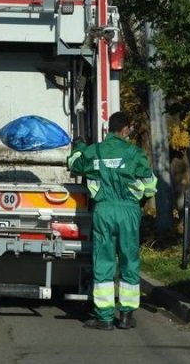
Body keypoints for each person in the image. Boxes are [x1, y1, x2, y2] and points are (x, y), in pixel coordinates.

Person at [67, 111, 157, 330]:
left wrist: (78, 146)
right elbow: (150, 184)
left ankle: (105, 318)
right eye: (130, 129)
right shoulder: (134, 153)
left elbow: (74, 164)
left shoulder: (95, 151)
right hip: (128, 211)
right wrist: (141, 199)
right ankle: (126, 315)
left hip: (104, 210)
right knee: (129, 261)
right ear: (125, 129)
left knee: (104, 262)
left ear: (109, 129)